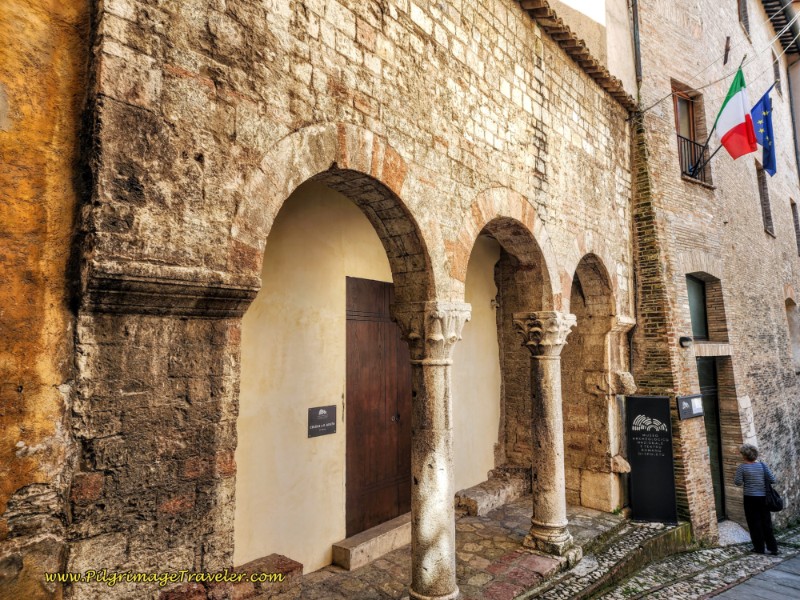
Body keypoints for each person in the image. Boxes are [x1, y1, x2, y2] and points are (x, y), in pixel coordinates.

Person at [734, 443, 779, 555]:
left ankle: (759, 548)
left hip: (750, 499)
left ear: (744, 456)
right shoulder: (763, 466)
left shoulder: (742, 468)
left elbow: (738, 483)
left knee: (754, 523)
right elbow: (773, 480)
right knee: (766, 523)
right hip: (764, 498)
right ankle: (773, 548)